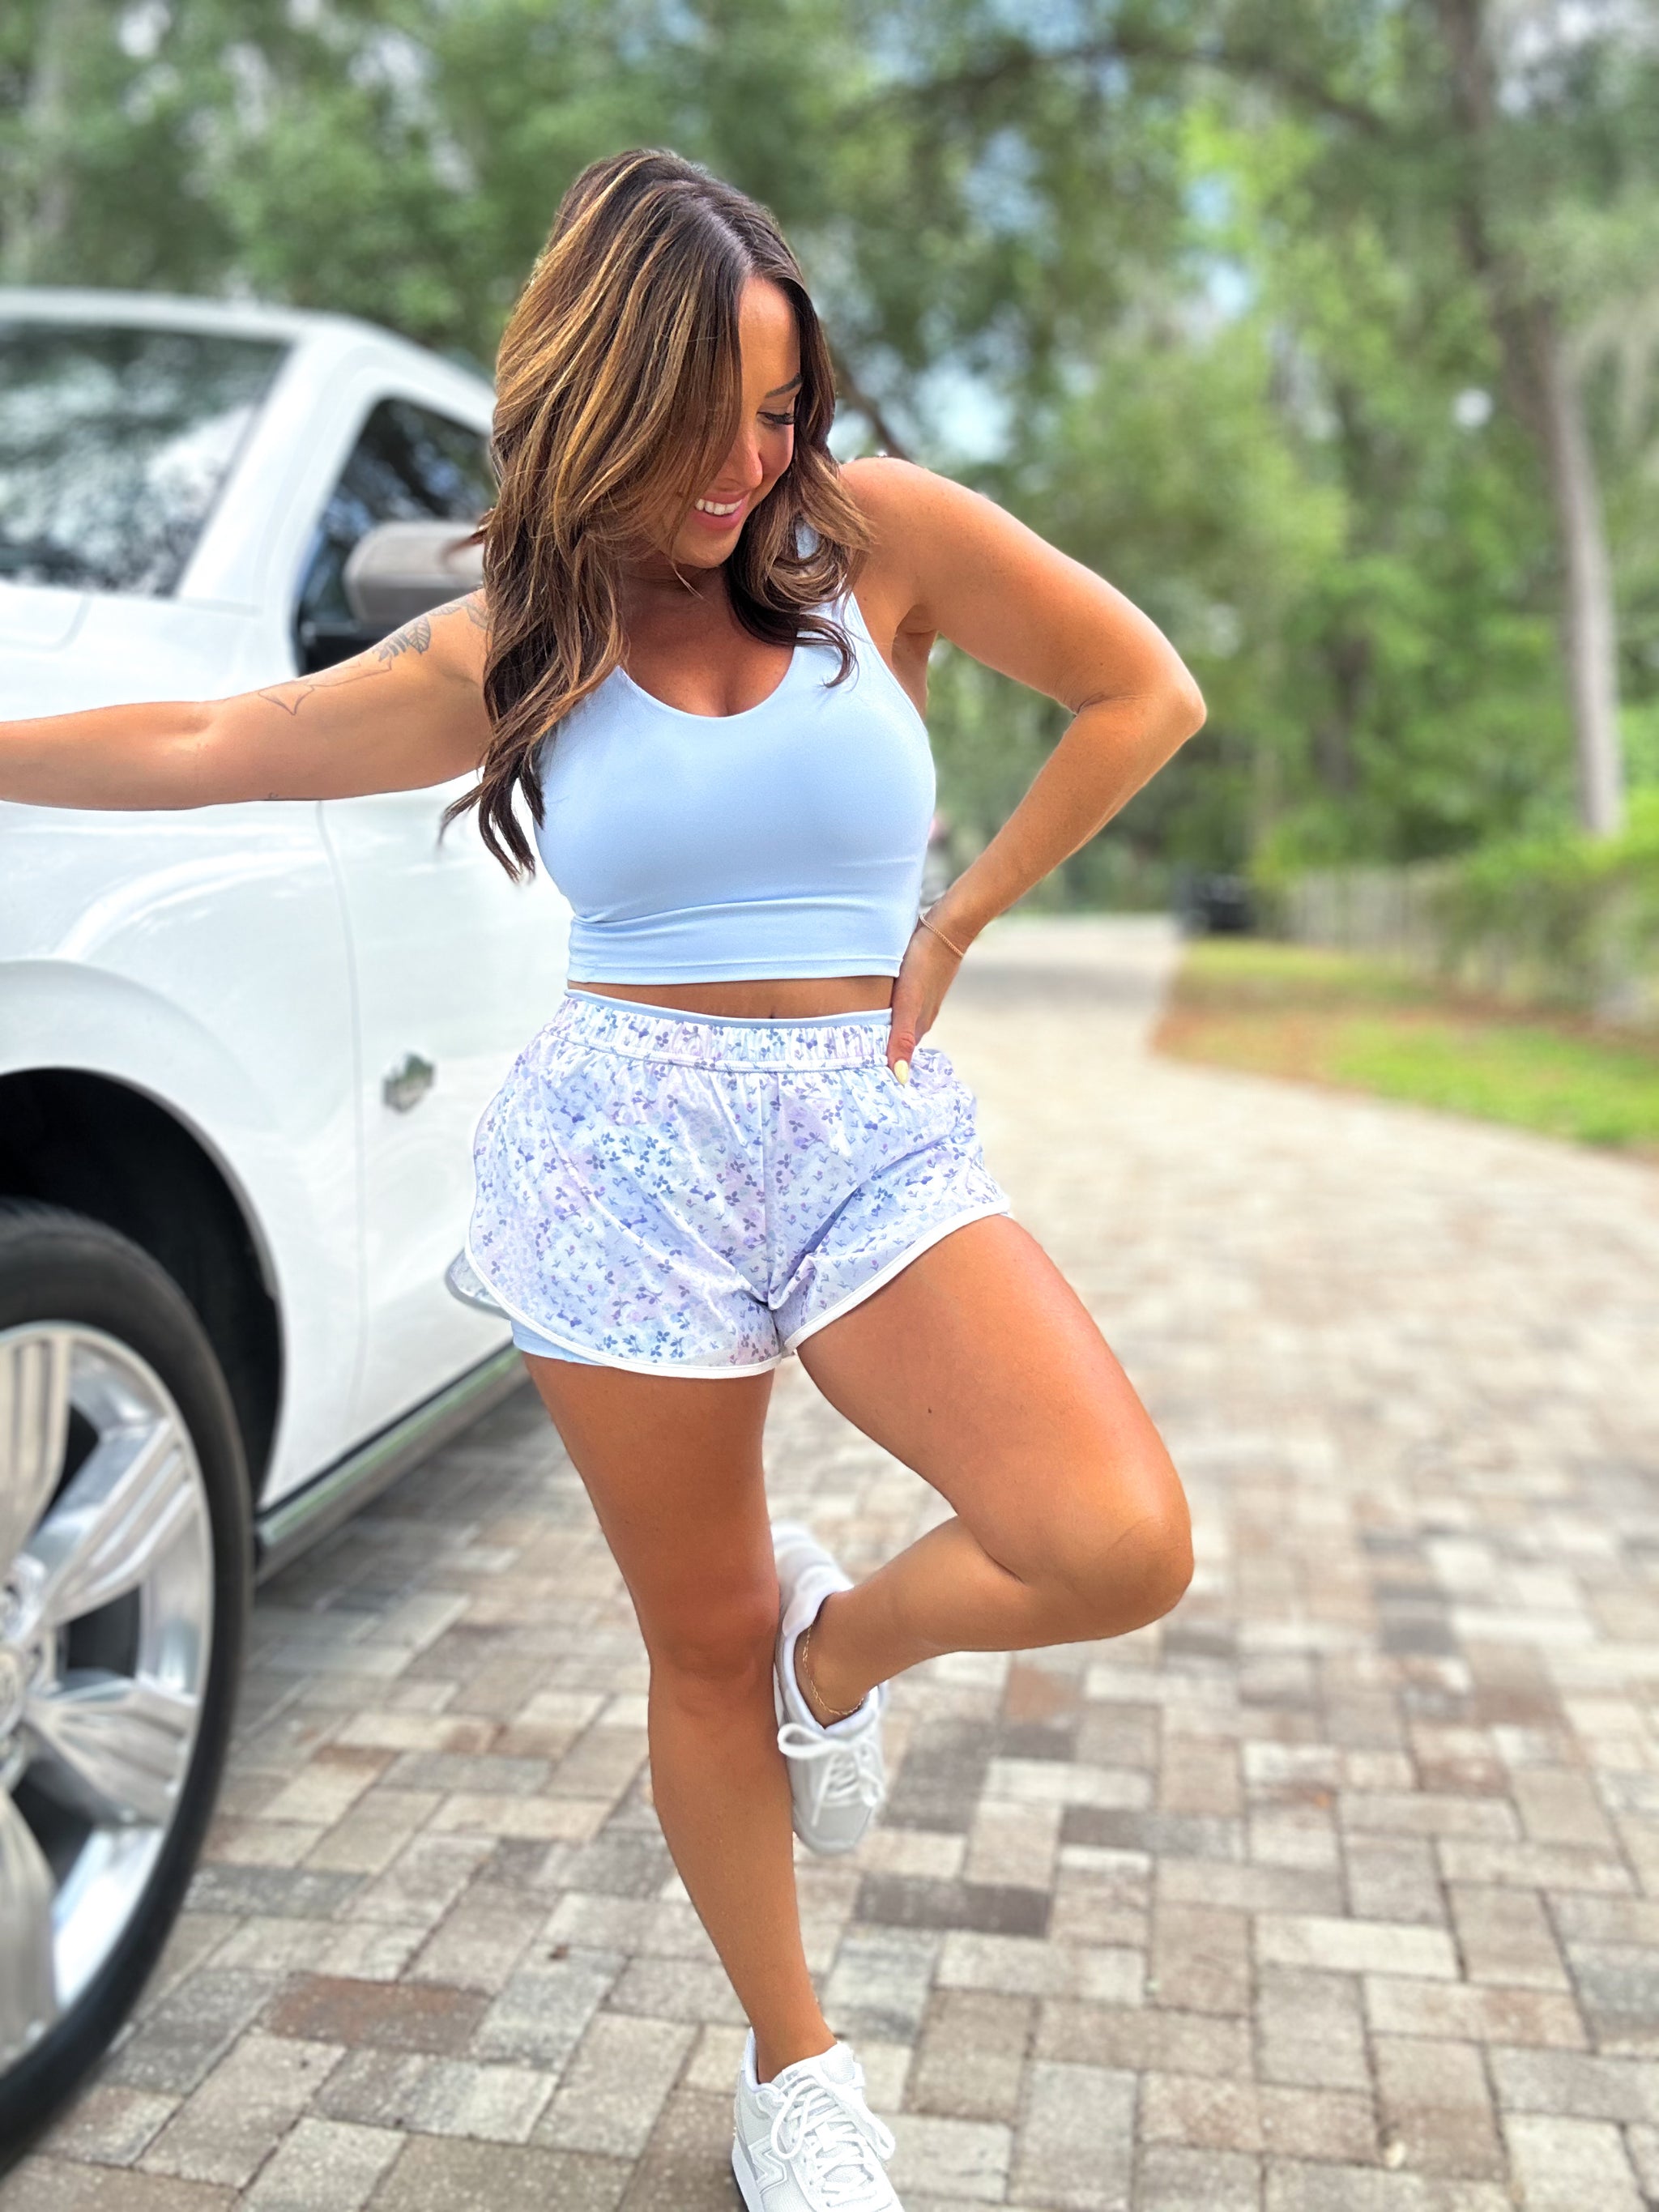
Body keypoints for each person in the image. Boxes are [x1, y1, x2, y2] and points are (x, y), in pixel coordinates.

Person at [2, 148, 1204, 2212]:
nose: (750, 462)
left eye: (779, 407)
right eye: (706, 414)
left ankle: (842, 1658)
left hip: (859, 1130)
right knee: (701, 1641)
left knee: (1111, 1537)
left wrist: (958, 919)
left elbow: (1140, 690)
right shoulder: (525, 640)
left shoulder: (878, 537)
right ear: (602, 392)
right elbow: (221, 737)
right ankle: (794, 2068)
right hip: (622, 1160)